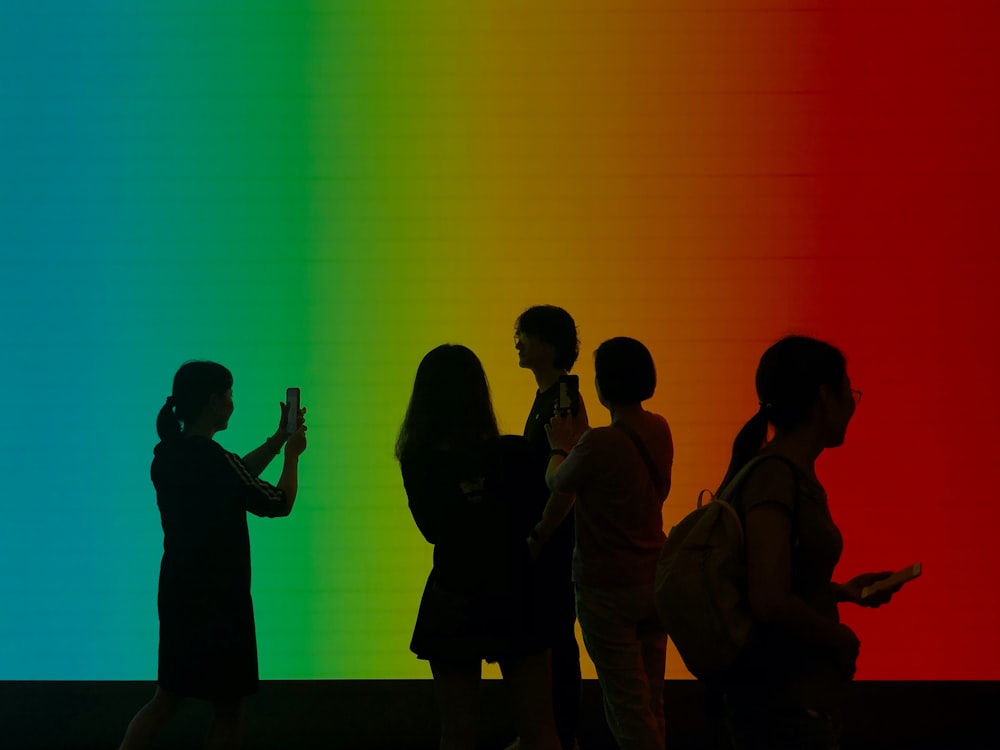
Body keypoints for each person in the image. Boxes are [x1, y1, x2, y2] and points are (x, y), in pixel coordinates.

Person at [716, 335, 899, 749]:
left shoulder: (782, 472)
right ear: (824, 397)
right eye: (848, 391)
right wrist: (839, 638)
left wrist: (840, 592)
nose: (853, 403)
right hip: (781, 701)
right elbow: (769, 599)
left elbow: (776, 579)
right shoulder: (776, 476)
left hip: (793, 699)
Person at [119, 361, 307, 750]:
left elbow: (235, 478)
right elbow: (278, 501)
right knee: (228, 708)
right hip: (221, 601)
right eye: (230, 394)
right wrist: (293, 455)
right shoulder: (214, 459)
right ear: (213, 401)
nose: (232, 402)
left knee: (166, 699)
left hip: (178, 595)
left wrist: (275, 440)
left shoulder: (167, 455)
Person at [397, 344, 560, 750]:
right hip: (516, 590)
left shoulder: (416, 457)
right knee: (540, 729)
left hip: (453, 593)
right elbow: (540, 510)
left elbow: (432, 529)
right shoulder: (514, 453)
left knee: (457, 731)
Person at [538, 337, 673, 750]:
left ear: (601, 386)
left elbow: (557, 481)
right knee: (651, 698)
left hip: (605, 589)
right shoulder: (659, 428)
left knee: (625, 703)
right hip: (653, 579)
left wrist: (562, 444)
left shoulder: (597, 443)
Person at [513, 305, 583, 750]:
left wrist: (539, 534)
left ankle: (562, 734)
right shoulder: (551, 396)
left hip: (553, 542)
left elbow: (569, 483)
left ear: (547, 342)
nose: (517, 342)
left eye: (524, 335)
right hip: (549, 539)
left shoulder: (561, 401)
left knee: (555, 638)